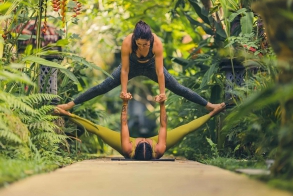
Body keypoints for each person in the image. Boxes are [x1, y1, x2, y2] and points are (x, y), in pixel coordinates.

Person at [57, 20, 225, 112]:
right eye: (140, 44)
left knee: (178, 88)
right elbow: (124, 70)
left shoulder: (156, 43)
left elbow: (160, 71)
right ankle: (69, 105)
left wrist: (161, 94)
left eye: (146, 44)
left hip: (152, 67)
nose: (143, 47)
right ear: (135, 40)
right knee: (103, 86)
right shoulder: (127, 43)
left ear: (150, 40)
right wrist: (123, 91)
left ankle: (210, 106)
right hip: (131, 66)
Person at [54, 93, 225, 160]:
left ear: (135, 147)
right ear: (152, 146)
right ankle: (212, 112)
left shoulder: (128, 147)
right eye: (146, 140)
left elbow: (123, 122)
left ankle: (66, 114)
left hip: (126, 142)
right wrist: (162, 104)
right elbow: (164, 125)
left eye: (143, 140)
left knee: (98, 130)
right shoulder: (159, 147)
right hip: (147, 146)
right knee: (185, 129)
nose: (144, 138)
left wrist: (125, 103)